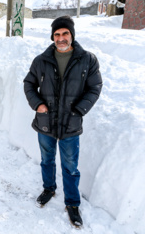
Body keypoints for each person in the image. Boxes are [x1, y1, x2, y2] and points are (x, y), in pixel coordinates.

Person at [23, 15, 102, 227]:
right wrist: (37, 104)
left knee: (70, 167)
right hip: (45, 122)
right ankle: (49, 188)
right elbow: (29, 84)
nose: (61, 38)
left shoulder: (87, 60)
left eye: (65, 33)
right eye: (57, 34)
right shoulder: (41, 60)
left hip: (71, 123)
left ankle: (72, 203)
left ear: (72, 35)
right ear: (52, 37)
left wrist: (79, 109)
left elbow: (95, 87)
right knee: (47, 160)